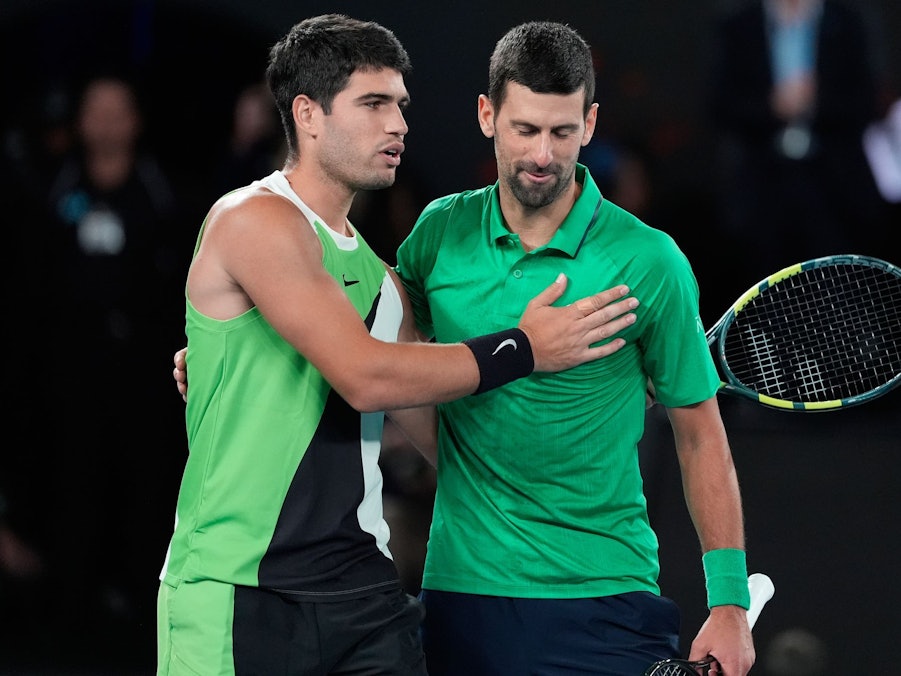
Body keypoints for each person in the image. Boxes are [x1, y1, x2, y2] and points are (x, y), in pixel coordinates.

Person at [159, 14, 639, 676]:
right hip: (240, 589)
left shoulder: (384, 285)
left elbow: (447, 439)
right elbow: (367, 378)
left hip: (364, 597)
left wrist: (591, 405)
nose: (398, 125)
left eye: (400, 105)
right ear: (308, 114)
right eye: (373, 104)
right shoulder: (253, 219)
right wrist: (523, 348)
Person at [394, 21, 754, 675]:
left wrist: (728, 602)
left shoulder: (650, 260)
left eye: (562, 132)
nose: (542, 154)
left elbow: (701, 435)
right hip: (461, 592)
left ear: (589, 123)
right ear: (487, 115)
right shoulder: (437, 233)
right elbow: (394, 358)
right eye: (524, 129)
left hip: (604, 596)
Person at [708, 0, 887, 283]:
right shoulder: (738, 24)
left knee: (838, 284)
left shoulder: (848, 21)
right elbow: (718, 105)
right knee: (766, 286)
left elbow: (869, 100)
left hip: (835, 186)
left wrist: (816, 99)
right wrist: (772, 105)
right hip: (762, 187)